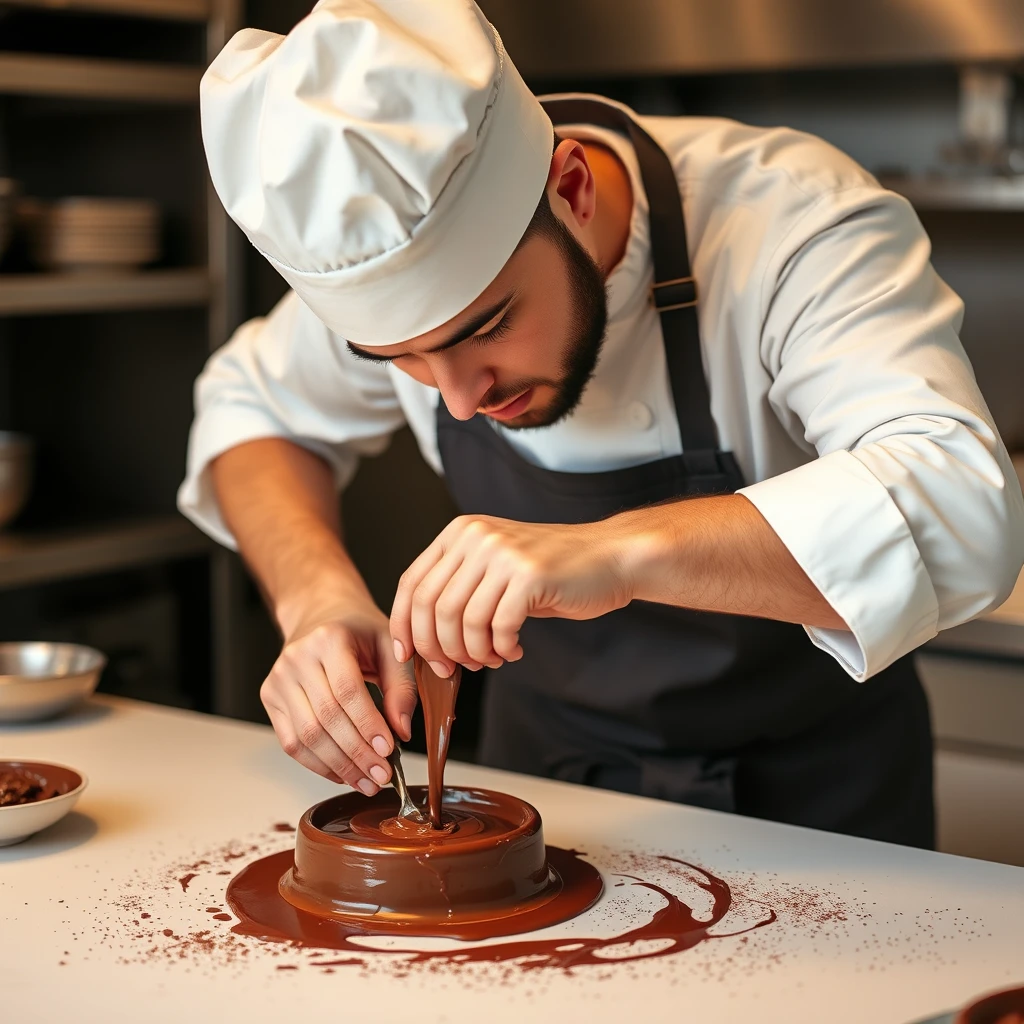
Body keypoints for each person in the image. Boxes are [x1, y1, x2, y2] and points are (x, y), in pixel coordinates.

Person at [181, 0, 1024, 847]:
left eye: (487, 328)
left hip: (826, 804)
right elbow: (252, 411)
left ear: (571, 189)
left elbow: (960, 503)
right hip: (553, 788)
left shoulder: (790, 221)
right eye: (398, 359)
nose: (460, 401)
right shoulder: (390, 268)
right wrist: (313, 596)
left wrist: (614, 550)